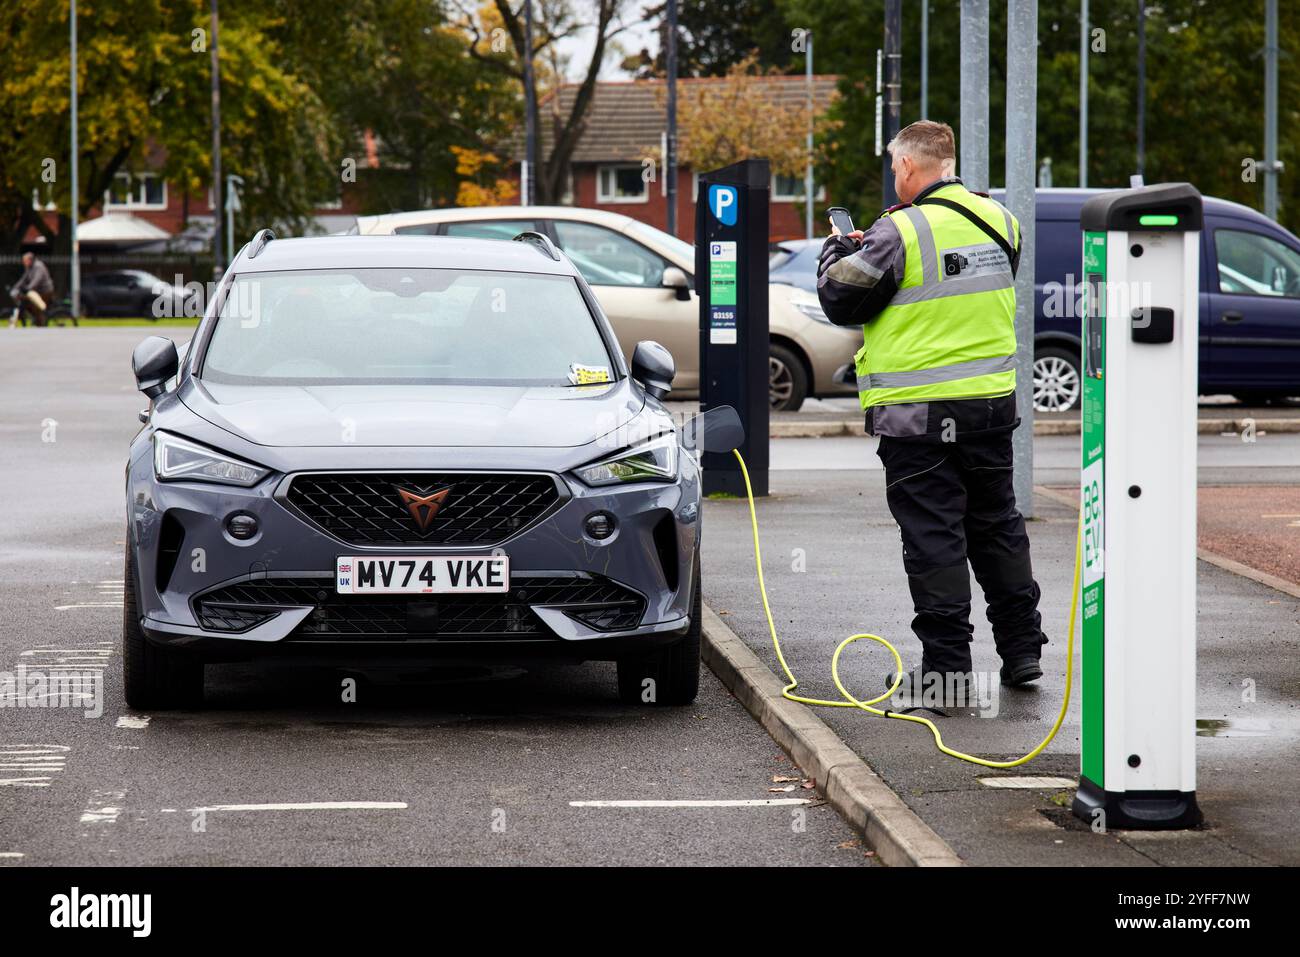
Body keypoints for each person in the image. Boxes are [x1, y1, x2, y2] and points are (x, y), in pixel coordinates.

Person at [815, 120, 1046, 707]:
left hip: (919, 419)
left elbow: (841, 298)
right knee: (997, 526)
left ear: (912, 168)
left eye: (896, 167)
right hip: (991, 408)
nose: (895, 175)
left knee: (934, 537)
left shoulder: (901, 230)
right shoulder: (1001, 220)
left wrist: (838, 249)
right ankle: (1022, 652)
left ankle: (946, 674)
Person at [10, 251, 55, 327]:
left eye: (25, 261)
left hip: (46, 291)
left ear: (30, 260)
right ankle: (36, 320)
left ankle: (41, 323)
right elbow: (23, 279)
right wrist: (15, 288)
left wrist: (28, 288)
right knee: (27, 300)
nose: (24, 263)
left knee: (35, 306)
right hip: (37, 290)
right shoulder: (29, 267)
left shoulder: (38, 266)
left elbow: (37, 279)